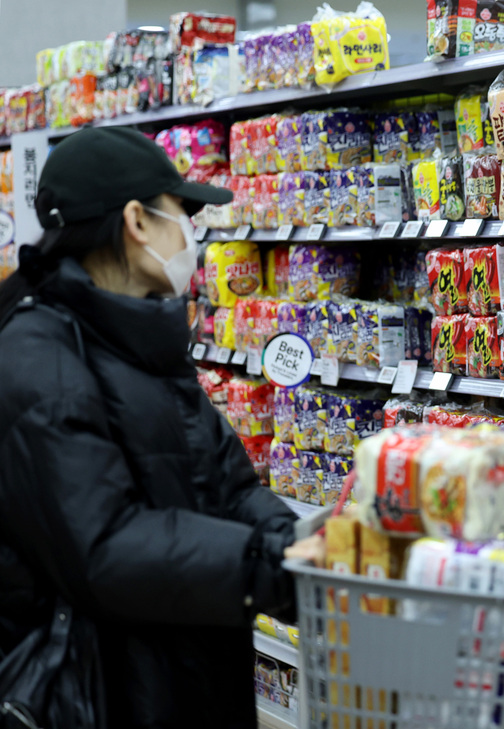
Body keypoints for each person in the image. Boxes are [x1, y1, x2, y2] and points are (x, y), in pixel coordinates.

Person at [0, 127, 323, 728]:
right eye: (184, 213)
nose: (192, 235)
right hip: (102, 696)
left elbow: (228, 485)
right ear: (137, 221)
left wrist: (304, 550)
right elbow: (103, 546)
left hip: (184, 680)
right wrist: (267, 563)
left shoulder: (142, 341)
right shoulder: (37, 360)